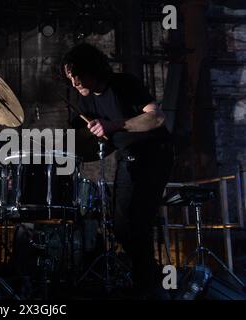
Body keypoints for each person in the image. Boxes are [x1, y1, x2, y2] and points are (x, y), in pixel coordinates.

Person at [62, 42, 173, 298]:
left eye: (76, 76)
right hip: (128, 158)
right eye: (69, 78)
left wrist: (113, 126)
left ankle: (150, 286)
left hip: (154, 154)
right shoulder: (85, 100)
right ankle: (148, 280)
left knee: (136, 222)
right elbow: (81, 132)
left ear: (91, 70)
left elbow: (156, 117)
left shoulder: (124, 84)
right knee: (123, 225)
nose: (74, 82)